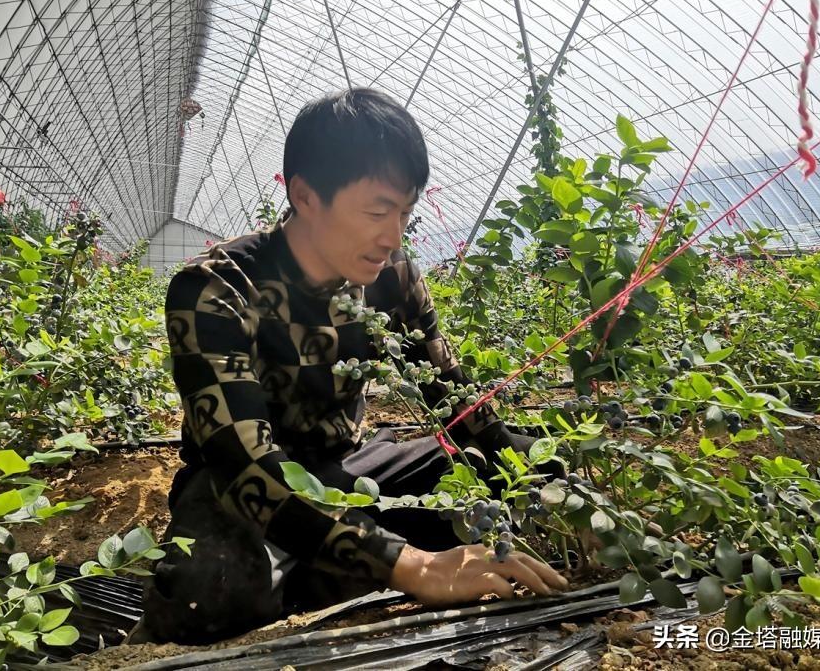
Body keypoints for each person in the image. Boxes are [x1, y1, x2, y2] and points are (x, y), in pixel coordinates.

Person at [131, 88, 567, 645]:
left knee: (496, 478)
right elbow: (246, 468)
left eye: (405, 213)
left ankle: (322, 560)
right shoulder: (216, 290)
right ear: (306, 196)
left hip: (352, 466)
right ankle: (336, 561)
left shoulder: (393, 275)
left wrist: (564, 490)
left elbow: (458, 408)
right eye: (378, 211)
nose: (393, 236)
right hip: (238, 486)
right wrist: (412, 566)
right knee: (209, 590)